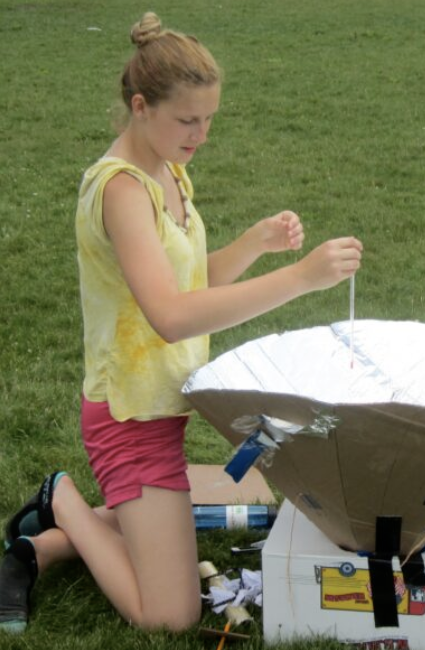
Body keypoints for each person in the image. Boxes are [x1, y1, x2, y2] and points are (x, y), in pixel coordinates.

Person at [0, 12, 362, 634]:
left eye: (210, 118)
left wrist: (254, 242)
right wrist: (299, 278)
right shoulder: (121, 190)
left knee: (220, 507)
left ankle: (50, 544)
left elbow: (188, 283)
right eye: (188, 120)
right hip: (128, 419)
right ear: (141, 107)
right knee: (169, 615)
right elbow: (169, 317)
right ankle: (59, 497)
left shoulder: (168, 168)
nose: (202, 134)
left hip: (165, 407)